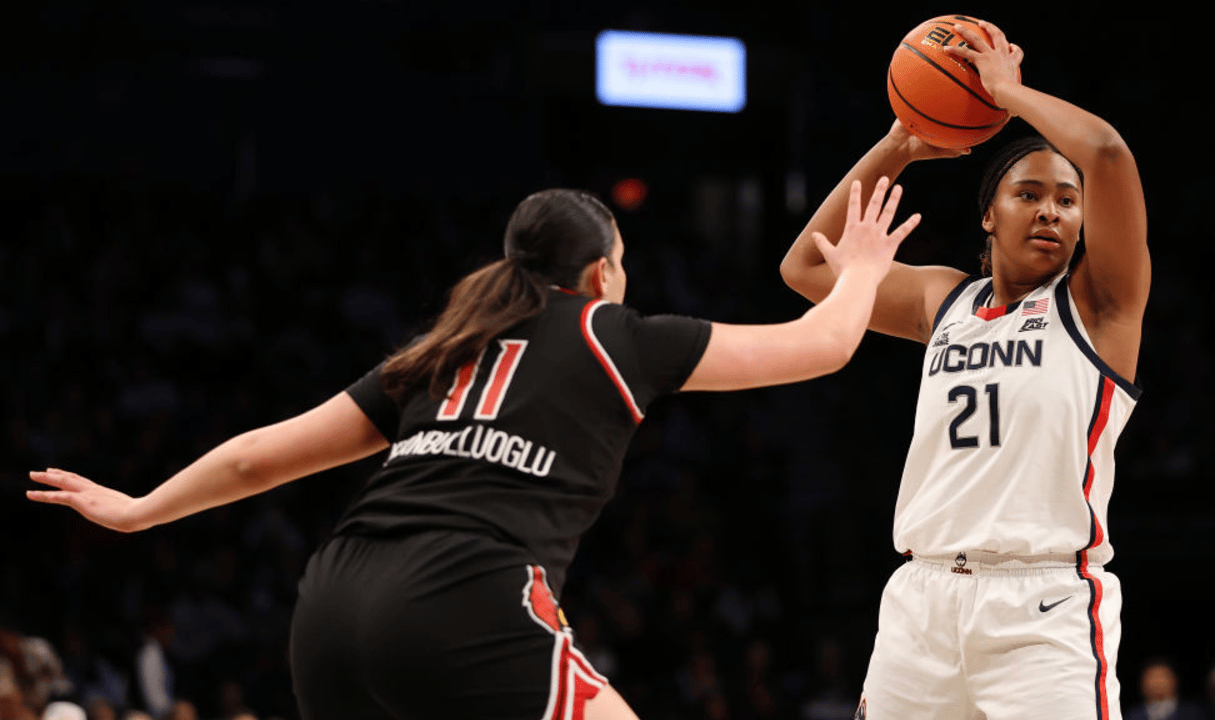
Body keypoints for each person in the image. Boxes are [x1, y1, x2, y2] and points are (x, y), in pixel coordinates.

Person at [29, 182, 920, 720]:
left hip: (331, 609)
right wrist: (867, 271)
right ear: (601, 274)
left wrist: (142, 507)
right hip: (463, 597)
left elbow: (263, 459)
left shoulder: (444, 349)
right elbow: (823, 345)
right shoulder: (618, 333)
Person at [780, 19, 1149, 720]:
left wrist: (1010, 93)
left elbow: (1105, 151)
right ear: (988, 215)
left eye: (1067, 201)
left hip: (1043, 608)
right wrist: (898, 145)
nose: (1051, 211)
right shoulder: (940, 299)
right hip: (922, 601)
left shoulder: (1100, 307)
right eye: (1029, 194)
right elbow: (805, 265)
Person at [1126, 657, 1208, 720]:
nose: (1157, 683)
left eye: (1161, 677)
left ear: (1175, 680)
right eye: (1152, 677)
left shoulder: (1193, 713)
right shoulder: (1132, 716)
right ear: (1142, 684)